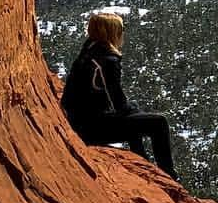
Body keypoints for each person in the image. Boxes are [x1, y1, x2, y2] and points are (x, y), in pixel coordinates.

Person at [60, 11, 179, 182]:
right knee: (159, 123)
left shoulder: (87, 52)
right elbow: (118, 103)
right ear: (112, 32)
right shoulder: (107, 61)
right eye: (121, 30)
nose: (123, 34)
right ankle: (169, 176)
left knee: (134, 113)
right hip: (92, 129)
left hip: (79, 121)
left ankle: (142, 161)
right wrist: (131, 110)